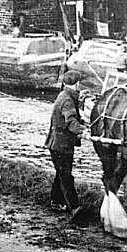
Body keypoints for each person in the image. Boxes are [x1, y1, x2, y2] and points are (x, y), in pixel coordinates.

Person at [44, 70, 90, 222]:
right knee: (66, 176)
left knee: (60, 173)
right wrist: (83, 131)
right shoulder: (68, 100)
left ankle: (56, 202)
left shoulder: (65, 95)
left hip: (57, 143)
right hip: (61, 145)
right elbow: (70, 121)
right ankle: (75, 208)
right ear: (77, 84)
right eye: (79, 84)